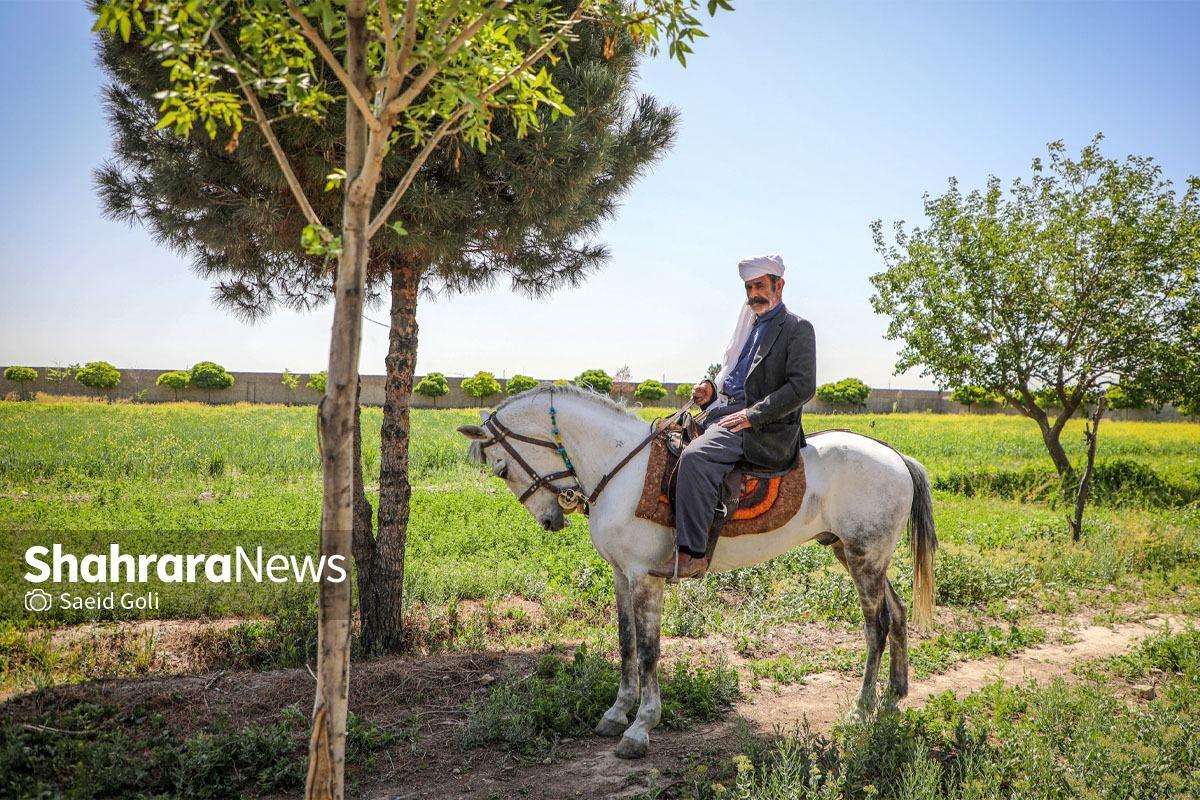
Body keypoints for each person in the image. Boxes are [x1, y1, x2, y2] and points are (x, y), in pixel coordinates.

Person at [649, 255, 817, 580]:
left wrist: (753, 415)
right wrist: (711, 392)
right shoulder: (751, 327)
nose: (754, 293)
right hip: (728, 412)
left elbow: (802, 387)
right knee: (662, 438)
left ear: (779, 286)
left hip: (764, 427)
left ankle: (692, 554)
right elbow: (737, 379)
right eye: (749, 287)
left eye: (760, 286)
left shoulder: (796, 329)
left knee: (696, 457)